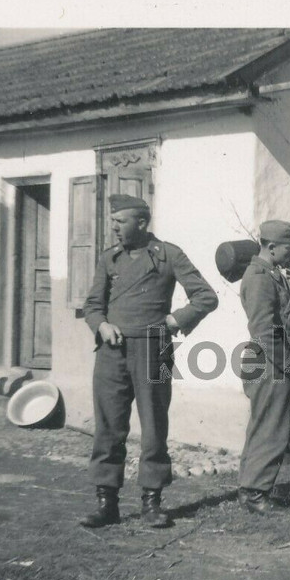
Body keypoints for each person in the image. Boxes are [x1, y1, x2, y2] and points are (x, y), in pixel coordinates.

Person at [80, 194, 219, 529]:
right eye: (113, 222)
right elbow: (92, 304)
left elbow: (206, 296)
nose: (114, 228)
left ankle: (152, 502)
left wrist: (175, 321)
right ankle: (106, 503)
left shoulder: (168, 255)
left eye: (120, 222)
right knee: (108, 427)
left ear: (141, 223)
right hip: (111, 353)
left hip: (153, 348)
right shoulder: (108, 259)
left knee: (154, 427)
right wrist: (101, 324)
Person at [237, 220, 290, 513]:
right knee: (271, 428)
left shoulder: (272, 274)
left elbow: (285, 313)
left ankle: (251, 489)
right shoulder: (259, 277)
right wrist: (289, 364)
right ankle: (255, 493)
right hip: (268, 359)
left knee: (264, 424)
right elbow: (265, 328)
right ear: (272, 247)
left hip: (271, 357)